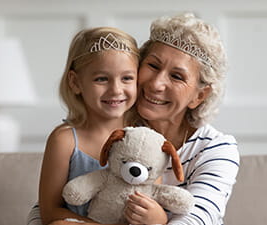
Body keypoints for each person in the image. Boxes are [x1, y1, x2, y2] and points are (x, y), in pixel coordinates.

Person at [123, 12, 240, 225]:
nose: (156, 84)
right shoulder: (112, 130)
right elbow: (54, 206)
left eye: (177, 76)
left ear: (199, 96)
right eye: (153, 66)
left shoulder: (215, 148)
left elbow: (197, 219)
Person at [27, 27, 139, 225]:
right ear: (75, 82)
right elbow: (50, 211)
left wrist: (158, 216)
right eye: (101, 79)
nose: (116, 89)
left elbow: (153, 193)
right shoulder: (65, 140)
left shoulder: (142, 136)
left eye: (127, 78)